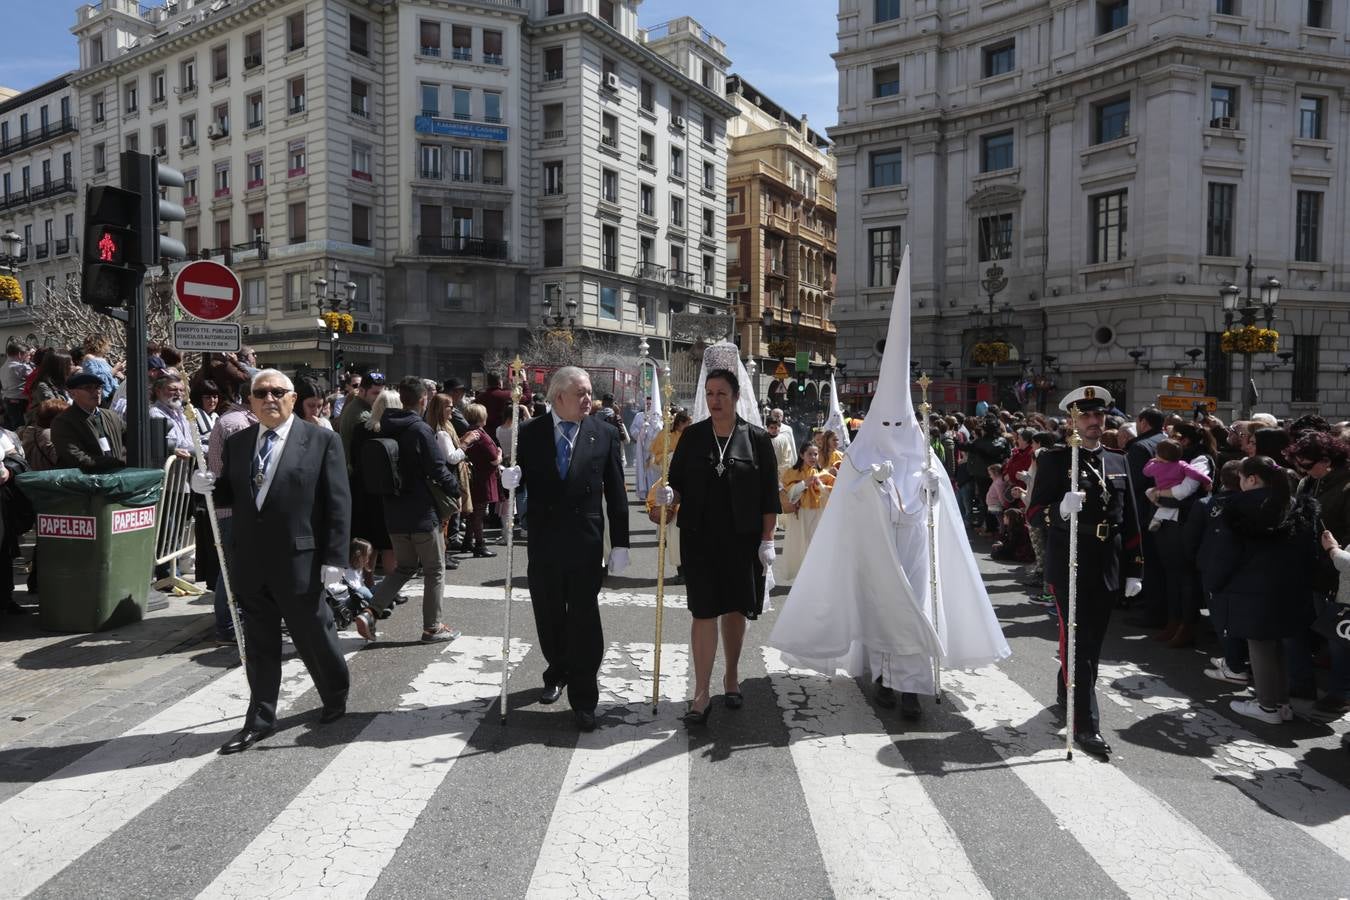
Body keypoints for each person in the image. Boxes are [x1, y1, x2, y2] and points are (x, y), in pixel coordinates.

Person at [770, 248, 1009, 725]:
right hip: (878, 553)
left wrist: (931, 491)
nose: (898, 427)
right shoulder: (863, 454)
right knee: (883, 615)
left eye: (904, 422)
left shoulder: (923, 456)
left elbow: (944, 511)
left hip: (916, 552)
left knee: (915, 610)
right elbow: (846, 501)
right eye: (891, 421)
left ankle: (912, 691)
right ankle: (882, 678)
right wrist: (870, 487)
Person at [189, 369, 352, 755]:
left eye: (278, 392)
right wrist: (205, 487)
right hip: (252, 561)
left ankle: (334, 695)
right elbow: (231, 492)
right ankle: (260, 718)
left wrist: (335, 560)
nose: (269, 398)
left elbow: (339, 503)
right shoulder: (241, 441)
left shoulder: (322, 440)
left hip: (301, 560)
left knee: (314, 635)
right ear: (251, 400)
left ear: (293, 398)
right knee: (260, 644)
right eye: (260, 393)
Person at [498, 366, 630, 732]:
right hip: (544, 540)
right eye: (582, 393)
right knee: (550, 613)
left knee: (584, 619)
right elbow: (514, 473)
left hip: (586, 542)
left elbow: (616, 491)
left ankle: (585, 697)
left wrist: (620, 542)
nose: (589, 399)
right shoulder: (529, 433)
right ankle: (556, 670)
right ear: (559, 397)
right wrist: (509, 477)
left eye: (589, 393)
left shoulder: (603, 433)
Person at [652, 363, 779, 725]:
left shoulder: (756, 438)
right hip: (700, 539)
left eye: (722, 394)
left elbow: (769, 496)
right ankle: (702, 692)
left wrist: (767, 540)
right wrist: (667, 494)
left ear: (737, 397)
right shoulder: (692, 438)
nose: (715, 400)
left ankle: (732, 676)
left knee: (736, 610)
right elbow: (675, 484)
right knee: (703, 611)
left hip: (742, 542)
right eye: (709, 394)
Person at [1027, 384, 1142, 759]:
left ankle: (1067, 692)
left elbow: (1131, 520)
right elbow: (1034, 512)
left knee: (1093, 640)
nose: (1094, 421)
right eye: (1086, 415)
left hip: (1107, 560)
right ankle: (1085, 724)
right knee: (1081, 645)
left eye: (1099, 415)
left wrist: (1134, 567)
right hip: (1071, 562)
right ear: (1071, 419)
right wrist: (1060, 510)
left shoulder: (1118, 459)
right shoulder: (1055, 460)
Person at [1200, 455, 1319, 725]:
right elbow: (1308, 551)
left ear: (1251, 479)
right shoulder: (1294, 504)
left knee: (1261, 645)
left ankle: (1267, 706)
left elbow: (1226, 554)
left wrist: (1215, 583)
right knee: (1277, 644)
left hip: (1251, 585)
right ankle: (1280, 702)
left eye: (1242, 477)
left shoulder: (1239, 506)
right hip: (1289, 584)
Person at [351, 377, 462, 644]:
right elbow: (437, 468)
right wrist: (456, 490)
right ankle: (432, 627)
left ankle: (371, 611)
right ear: (423, 400)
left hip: (393, 510)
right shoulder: (420, 430)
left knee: (405, 567)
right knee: (434, 569)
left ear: (402, 398)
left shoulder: (382, 427)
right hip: (422, 512)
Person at [777, 440, 834, 584]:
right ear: (802, 455)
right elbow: (788, 494)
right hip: (800, 513)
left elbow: (829, 492)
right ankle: (801, 579)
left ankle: (814, 578)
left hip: (817, 512)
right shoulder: (792, 473)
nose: (813, 457)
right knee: (799, 544)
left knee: (814, 544)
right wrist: (803, 484)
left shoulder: (821, 472)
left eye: (815, 454)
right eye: (810, 454)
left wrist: (820, 485)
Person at [425, 392, 469, 571]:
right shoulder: (441, 432)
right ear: (440, 409)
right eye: (449, 406)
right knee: (445, 520)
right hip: (446, 478)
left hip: (445, 478)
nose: (452, 409)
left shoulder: (443, 426)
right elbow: (451, 457)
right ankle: (442, 555)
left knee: (446, 519)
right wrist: (465, 444)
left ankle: (444, 553)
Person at [51, 373, 125, 470]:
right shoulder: (63, 421)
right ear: (72, 394)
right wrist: (112, 463)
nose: (96, 392)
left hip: (116, 476)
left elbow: (131, 439)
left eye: (98, 387)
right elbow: (74, 455)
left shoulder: (112, 416)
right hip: (87, 480)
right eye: (88, 388)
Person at [460, 402, 501, 558]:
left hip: (473, 475)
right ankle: (480, 545)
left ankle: (468, 541)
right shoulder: (480, 435)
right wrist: (500, 455)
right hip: (482, 477)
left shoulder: (468, 432)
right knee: (478, 513)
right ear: (481, 417)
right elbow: (493, 459)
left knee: (473, 512)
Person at [1143, 438, 1211, 531]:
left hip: (1162, 496)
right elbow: (1197, 474)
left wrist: (1151, 461)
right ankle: (1157, 519)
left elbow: (1145, 472)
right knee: (1168, 507)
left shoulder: (1155, 466)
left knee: (1148, 491)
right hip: (1176, 496)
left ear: (1159, 455)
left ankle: (1156, 518)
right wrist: (1207, 481)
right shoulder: (1182, 465)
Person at [18, 398, 65, 472]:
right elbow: (65, 461)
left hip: (38, 476)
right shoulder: (48, 435)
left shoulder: (31, 431)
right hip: (51, 478)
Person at [26, 350, 73, 421]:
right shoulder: (42, 386)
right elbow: (54, 409)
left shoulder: (65, 384)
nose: (73, 366)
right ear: (59, 367)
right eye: (70, 364)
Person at [1, 341, 33, 429]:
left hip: (7, 399)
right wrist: (28, 362)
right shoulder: (21, 367)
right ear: (19, 354)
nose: (28, 357)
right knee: (20, 427)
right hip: (20, 401)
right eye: (27, 355)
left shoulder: (3, 367)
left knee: (9, 426)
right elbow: (34, 376)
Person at [79, 336, 120, 405]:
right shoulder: (89, 358)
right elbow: (95, 378)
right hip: (103, 398)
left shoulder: (102, 359)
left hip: (112, 395)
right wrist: (114, 371)